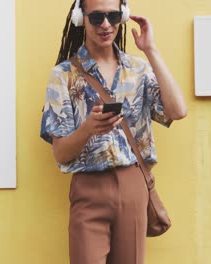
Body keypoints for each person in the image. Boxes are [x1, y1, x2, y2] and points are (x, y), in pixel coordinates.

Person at [40, 0, 187, 263]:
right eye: (96, 17)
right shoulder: (63, 76)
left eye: (113, 15)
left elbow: (177, 110)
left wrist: (150, 50)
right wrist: (88, 129)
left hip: (133, 184)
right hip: (88, 189)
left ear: (123, 16)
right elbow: (60, 154)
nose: (106, 24)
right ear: (80, 18)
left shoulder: (138, 69)